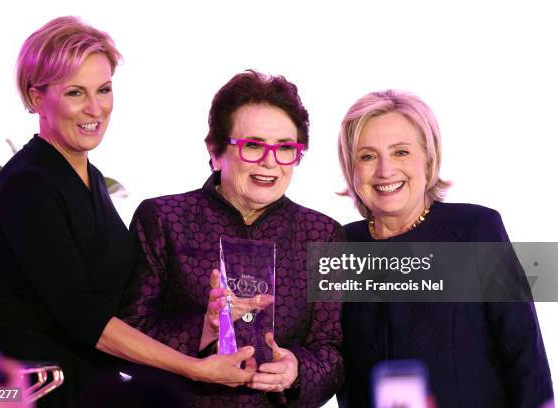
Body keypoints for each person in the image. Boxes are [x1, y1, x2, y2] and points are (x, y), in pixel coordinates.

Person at [0, 16, 254, 407]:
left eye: (104, 89)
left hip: (87, 387)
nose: (95, 108)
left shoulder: (85, 175)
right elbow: (85, 319)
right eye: (76, 92)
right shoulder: (29, 185)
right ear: (36, 96)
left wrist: (208, 322)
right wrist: (196, 368)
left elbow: (119, 301)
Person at [119, 70, 344, 407]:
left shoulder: (323, 235)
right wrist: (205, 329)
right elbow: (126, 335)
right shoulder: (163, 219)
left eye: (285, 148)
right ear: (215, 150)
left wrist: (296, 369)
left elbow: (333, 351)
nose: (270, 162)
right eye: (253, 145)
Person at [335, 89, 554, 407]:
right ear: (350, 168)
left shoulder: (474, 229)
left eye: (401, 152)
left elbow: (524, 356)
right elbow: (325, 357)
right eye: (367, 156)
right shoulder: (339, 246)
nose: (385, 170)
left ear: (428, 158)